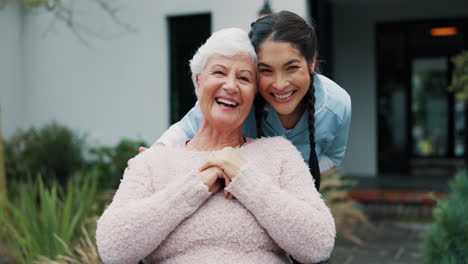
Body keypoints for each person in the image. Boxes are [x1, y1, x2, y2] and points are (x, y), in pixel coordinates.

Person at [96, 27, 335, 264]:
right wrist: (196, 185)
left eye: (244, 78)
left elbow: (319, 245)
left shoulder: (279, 153)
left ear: (253, 94)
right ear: (198, 81)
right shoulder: (153, 161)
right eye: (219, 73)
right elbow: (113, 248)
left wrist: (245, 177)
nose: (231, 86)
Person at [154, 11, 351, 190]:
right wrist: (152, 158)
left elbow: (332, 156)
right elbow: (184, 129)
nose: (280, 84)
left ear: (311, 62)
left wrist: (290, 178)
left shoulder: (337, 105)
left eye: (291, 67)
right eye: (266, 70)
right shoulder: (239, 99)